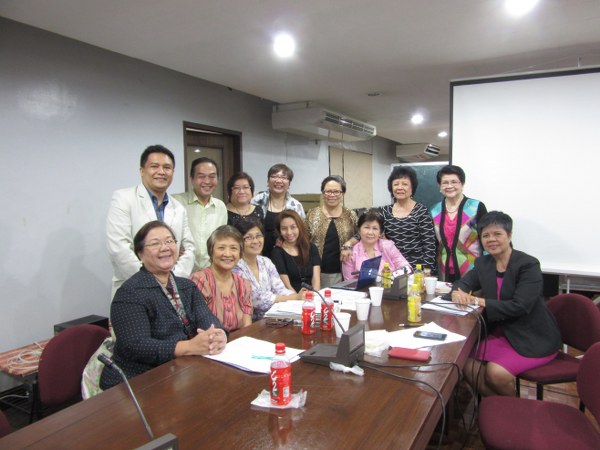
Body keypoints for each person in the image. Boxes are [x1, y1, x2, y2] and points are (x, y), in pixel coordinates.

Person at [100, 221, 226, 390]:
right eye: (155, 243)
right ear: (140, 254)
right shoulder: (129, 294)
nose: (164, 247)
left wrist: (218, 335)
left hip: (181, 372)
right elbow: (136, 346)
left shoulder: (186, 286)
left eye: (169, 241)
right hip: (137, 381)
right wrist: (189, 346)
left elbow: (207, 318)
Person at [450, 211, 561, 397]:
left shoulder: (528, 265)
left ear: (509, 235)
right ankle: (496, 408)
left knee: (496, 373)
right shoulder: (483, 263)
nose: (491, 239)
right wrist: (458, 292)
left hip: (532, 337)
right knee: (466, 364)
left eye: (497, 234)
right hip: (501, 333)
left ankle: (514, 409)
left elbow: (520, 306)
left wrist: (476, 300)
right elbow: (462, 283)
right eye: (486, 235)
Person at [106, 145, 195, 297]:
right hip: (134, 290)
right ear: (142, 171)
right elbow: (119, 248)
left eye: (167, 167)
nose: (161, 171)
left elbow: (189, 248)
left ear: (173, 172)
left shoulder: (178, 208)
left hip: (173, 290)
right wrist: (153, 283)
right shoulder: (123, 199)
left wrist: (171, 280)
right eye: (154, 166)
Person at [342, 166, 437, 273]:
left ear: (412, 188)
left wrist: (426, 270)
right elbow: (367, 231)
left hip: (418, 268)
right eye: (396, 184)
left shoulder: (421, 211)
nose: (400, 187)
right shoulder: (384, 211)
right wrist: (348, 244)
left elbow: (430, 244)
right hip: (393, 267)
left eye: (404, 184)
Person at [232, 218, 306, 320]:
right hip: (249, 323)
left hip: (274, 319)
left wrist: (298, 297)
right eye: (248, 237)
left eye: (259, 236)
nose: (255, 241)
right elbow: (257, 299)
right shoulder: (235, 267)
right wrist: (294, 297)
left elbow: (280, 289)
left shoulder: (266, 262)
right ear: (239, 241)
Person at [431, 165, 487, 282]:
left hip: (473, 270)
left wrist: (489, 267)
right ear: (439, 186)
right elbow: (433, 243)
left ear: (462, 184)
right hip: (444, 271)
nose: (449, 186)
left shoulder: (475, 207)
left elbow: (486, 238)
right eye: (445, 182)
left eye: (454, 182)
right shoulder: (434, 211)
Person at [191, 225, 252, 332]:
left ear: (240, 254)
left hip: (239, 339)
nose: (227, 254)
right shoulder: (200, 281)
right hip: (209, 339)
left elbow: (247, 326)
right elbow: (201, 325)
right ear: (211, 251)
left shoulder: (243, 284)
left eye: (233, 248)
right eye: (221, 248)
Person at [173, 157, 227, 271]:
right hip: (182, 270)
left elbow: (221, 239)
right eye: (201, 176)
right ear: (192, 179)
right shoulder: (176, 202)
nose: (207, 181)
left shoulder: (220, 206)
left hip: (211, 272)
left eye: (212, 176)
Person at [305, 175, 357, 287]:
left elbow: (360, 234)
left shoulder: (350, 215)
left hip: (345, 272)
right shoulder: (312, 214)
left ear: (343, 194)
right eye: (328, 191)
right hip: (317, 273)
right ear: (323, 193)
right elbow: (303, 238)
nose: (332, 195)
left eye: (336, 191)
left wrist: (349, 243)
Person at [252, 163, 305, 258]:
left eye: (284, 178)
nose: (279, 180)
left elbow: (301, 233)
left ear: (289, 183)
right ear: (268, 181)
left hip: (286, 254)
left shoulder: (296, 206)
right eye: (274, 176)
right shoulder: (256, 201)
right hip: (258, 254)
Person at [342, 209, 411, 280]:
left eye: (375, 228)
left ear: (380, 233)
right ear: (359, 230)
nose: (370, 232)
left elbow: (406, 267)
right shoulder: (350, 254)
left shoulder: (388, 246)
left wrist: (391, 277)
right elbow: (348, 282)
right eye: (366, 227)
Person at [271, 210, 321, 293]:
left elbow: (316, 280)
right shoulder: (277, 252)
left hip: (312, 296)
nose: (289, 232)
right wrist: (298, 298)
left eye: (293, 227)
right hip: (291, 297)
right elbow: (286, 285)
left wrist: (315, 296)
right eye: (284, 228)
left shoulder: (311, 248)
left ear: (299, 227)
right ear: (279, 230)